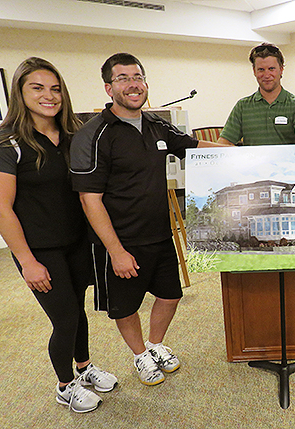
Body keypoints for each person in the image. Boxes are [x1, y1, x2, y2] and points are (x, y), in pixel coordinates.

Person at [70, 53, 229, 386]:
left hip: (159, 235)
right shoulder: (94, 135)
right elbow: (89, 199)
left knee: (170, 296)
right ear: (108, 87)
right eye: (123, 78)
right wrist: (116, 251)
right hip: (120, 241)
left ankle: (155, 344)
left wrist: (244, 154)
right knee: (125, 307)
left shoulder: (157, 125)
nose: (133, 84)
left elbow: (195, 146)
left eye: (138, 77)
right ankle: (140, 354)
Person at [0, 57, 117, 413]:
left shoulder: (72, 135)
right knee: (64, 317)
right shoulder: (4, 143)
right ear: (20, 92)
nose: (50, 95)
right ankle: (65, 386)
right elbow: (1, 209)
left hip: (75, 241)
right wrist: (27, 262)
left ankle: (84, 368)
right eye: (38, 88)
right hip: (39, 248)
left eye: (55, 88)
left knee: (77, 309)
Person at [218, 43, 295, 146]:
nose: (267, 75)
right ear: (254, 71)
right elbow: (224, 142)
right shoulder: (242, 106)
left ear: (281, 70)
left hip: (286, 162)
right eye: (261, 70)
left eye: (271, 69)